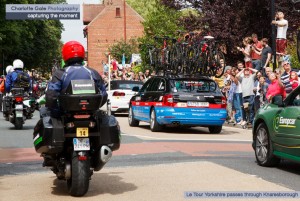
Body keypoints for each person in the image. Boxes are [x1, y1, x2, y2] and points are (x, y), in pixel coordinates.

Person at [43, 41, 107, 118]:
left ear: (64, 55)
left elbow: (51, 96)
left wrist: (57, 111)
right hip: (91, 114)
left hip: (65, 115)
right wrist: (94, 108)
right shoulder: (93, 72)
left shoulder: (60, 73)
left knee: (44, 113)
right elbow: (103, 94)